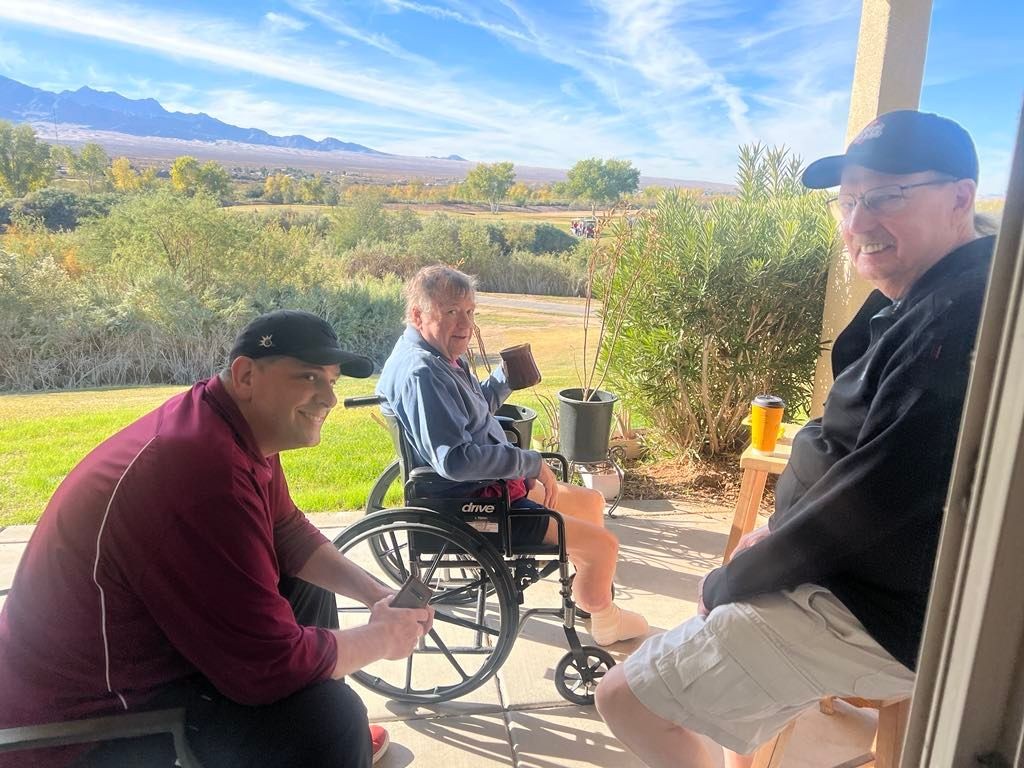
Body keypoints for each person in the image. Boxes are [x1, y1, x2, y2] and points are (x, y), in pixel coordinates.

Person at [596, 109, 995, 768]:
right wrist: (774, 541)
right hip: (854, 579)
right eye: (850, 200)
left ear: (961, 196)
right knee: (713, 684)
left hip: (877, 610)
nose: (860, 220)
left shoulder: (960, 317)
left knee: (626, 699)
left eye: (889, 195)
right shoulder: (928, 294)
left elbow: (880, 495)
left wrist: (739, 577)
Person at [0, 310, 434, 768]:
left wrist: (376, 594)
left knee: (304, 587)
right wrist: (380, 639)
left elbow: (286, 530)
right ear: (247, 375)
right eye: (308, 376)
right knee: (330, 720)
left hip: (155, 651)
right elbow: (268, 666)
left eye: (331, 380)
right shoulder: (201, 471)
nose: (328, 397)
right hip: (84, 725)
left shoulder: (233, 426)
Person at [376, 264, 649, 646]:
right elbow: (455, 460)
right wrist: (530, 462)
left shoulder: (436, 356)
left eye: (470, 311)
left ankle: (590, 596)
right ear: (418, 315)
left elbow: (472, 411)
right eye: (451, 312)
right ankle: (605, 619)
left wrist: (504, 378)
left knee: (589, 503)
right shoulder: (423, 373)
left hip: (493, 487)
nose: (464, 324)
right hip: (475, 504)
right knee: (605, 546)